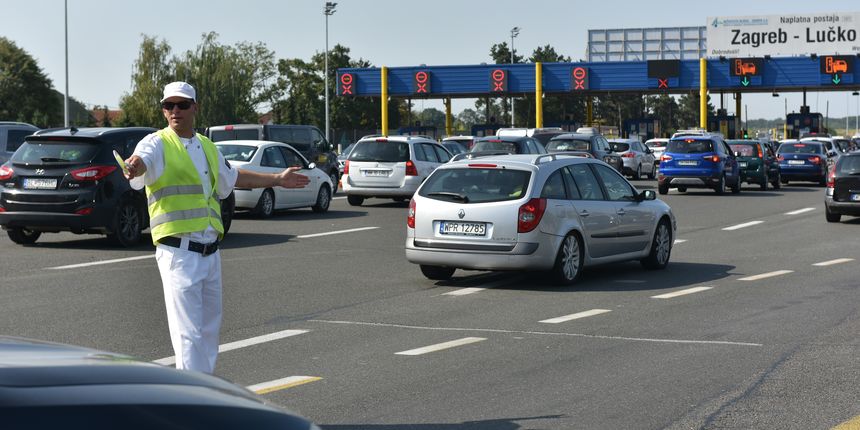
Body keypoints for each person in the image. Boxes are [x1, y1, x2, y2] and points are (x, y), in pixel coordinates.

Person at [124, 81, 310, 374]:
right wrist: (135, 165)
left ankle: (205, 388)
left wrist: (277, 179)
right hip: (178, 252)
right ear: (163, 110)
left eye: (182, 105)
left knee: (209, 332)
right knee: (188, 335)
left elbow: (233, 178)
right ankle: (193, 397)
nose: (175, 110)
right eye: (168, 105)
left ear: (195, 108)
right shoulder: (156, 143)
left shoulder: (207, 147)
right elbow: (141, 161)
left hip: (210, 253)